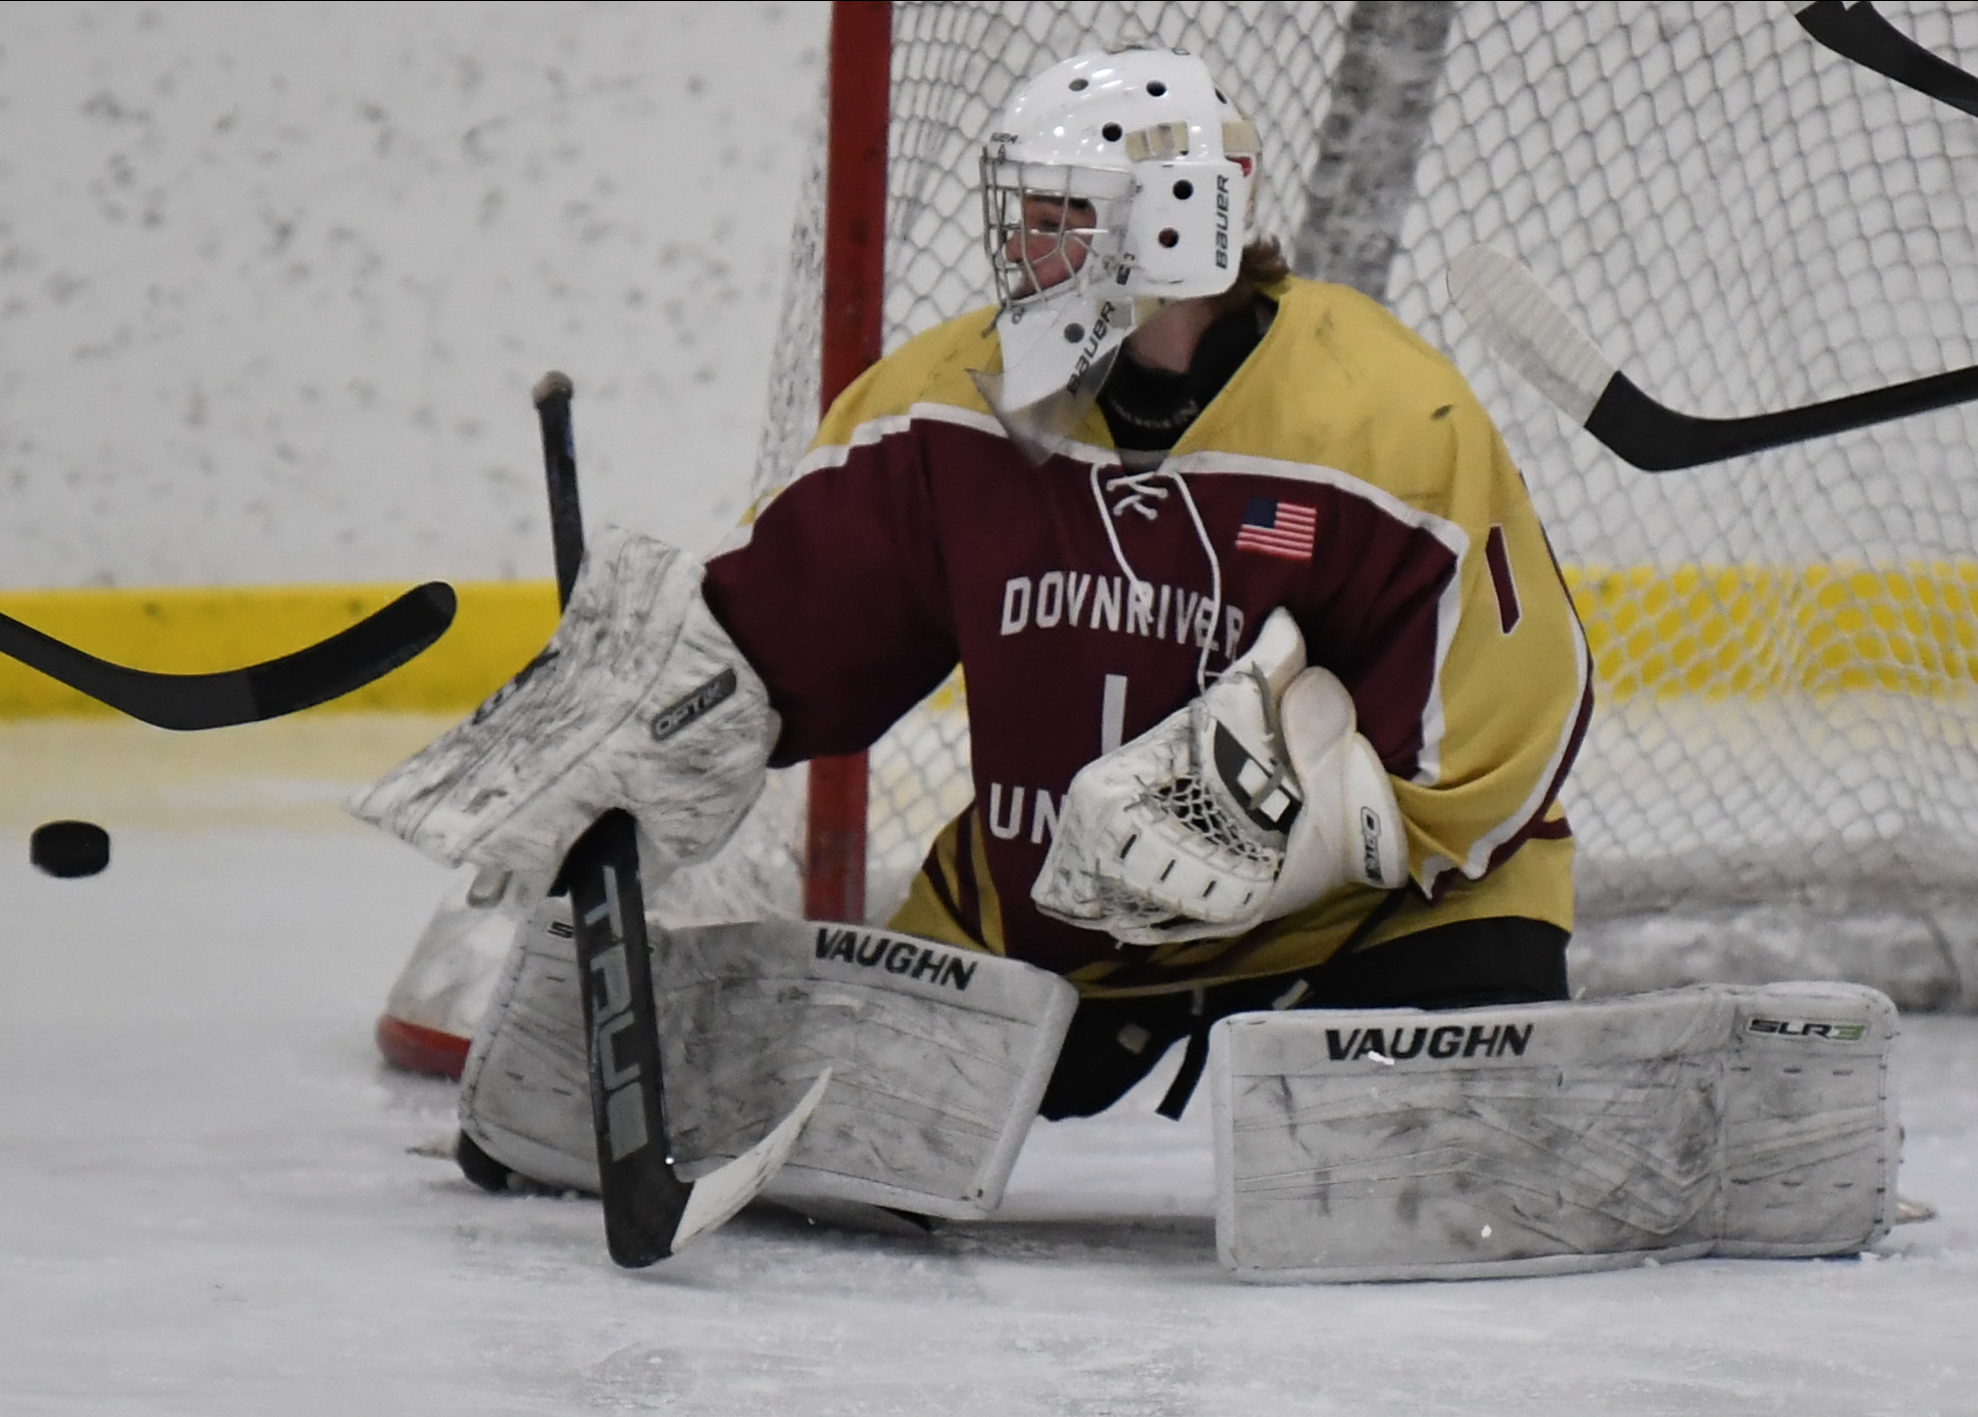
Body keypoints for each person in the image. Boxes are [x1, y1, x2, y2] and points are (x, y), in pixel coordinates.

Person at [690, 45, 1591, 1121]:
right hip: (1053, 916)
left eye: (1058, 216)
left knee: (1449, 1152)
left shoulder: (1384, 417)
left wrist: (1302, 844)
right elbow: (800, 623)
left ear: (1173, 221)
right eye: (1019, 213)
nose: (1020, 248)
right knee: (842, 1137)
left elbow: (1503, 713)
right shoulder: (956, 400)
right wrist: (673, 706)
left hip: (1362, 921)